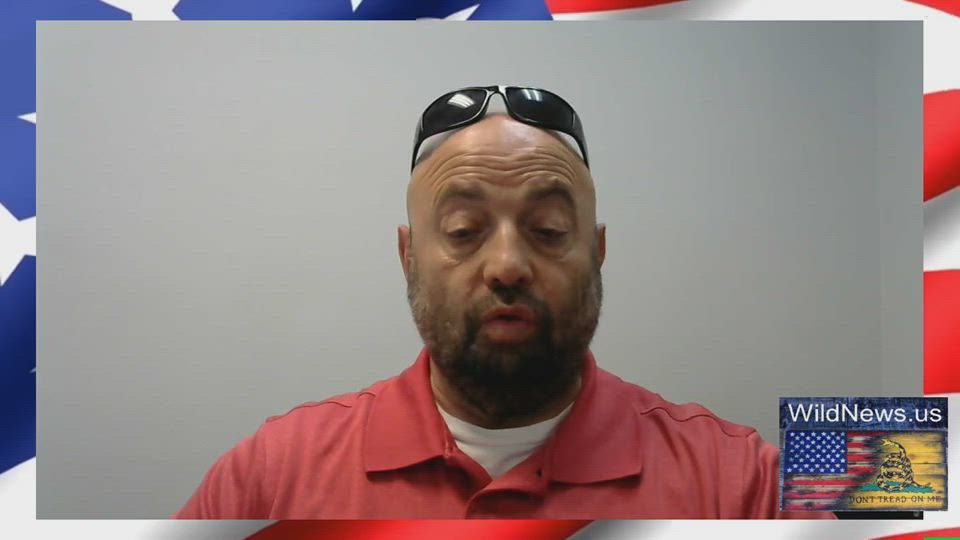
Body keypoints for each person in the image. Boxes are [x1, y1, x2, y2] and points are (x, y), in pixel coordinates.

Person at [174, 86, 835, 519]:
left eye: (548, 230)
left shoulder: (741, 478)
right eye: (464, 231)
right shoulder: (272, 476)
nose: (508, 266)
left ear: (597, 251)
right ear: (408, 256)